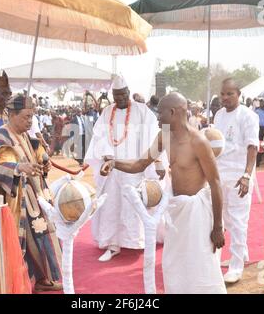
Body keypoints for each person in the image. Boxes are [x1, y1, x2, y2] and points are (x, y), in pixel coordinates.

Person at [100, 92, 226, 294]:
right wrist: (113, 163)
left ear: (174, 112)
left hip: (197, 214)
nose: (157, 117)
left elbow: (216, 183)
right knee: (173, 264)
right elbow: (141, 164)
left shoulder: (198, 142)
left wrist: (218, 226)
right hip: (176, 212)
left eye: (160, 112)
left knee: (201, 266)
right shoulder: (164, 135)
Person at [0, 94, 62, 293]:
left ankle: (42, 278)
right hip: (13, 201)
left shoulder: (24, 134)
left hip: (33, 196)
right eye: (26, 117)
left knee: (42, 237)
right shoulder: (2, 136)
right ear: (11, 115)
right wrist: (19, 168)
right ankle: (15, 280)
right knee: (27, 241)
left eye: (32, 117)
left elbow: (35, 150)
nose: (30, 121)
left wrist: (44, 160)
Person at [84, 74, 163, 262]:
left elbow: (155, 135)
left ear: (128, 92)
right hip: (112, 167)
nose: (119, 99)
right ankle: (113, 245)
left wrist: (157, 161)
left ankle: (136, 240)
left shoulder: (142, 111)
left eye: (122, 94)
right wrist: (107, 155)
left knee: (134, 204)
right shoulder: (106, 112)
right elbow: (99, 136)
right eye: (116, 95)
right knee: (111, 205)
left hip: (136, 168)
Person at [214, 78, 259, 284]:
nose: (225, 97)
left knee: (239, 219)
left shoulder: (248, 116)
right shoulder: (218, 115)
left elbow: (252, 147)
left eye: (229, 94)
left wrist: (247, 175)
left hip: (240, 176)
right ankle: (242, 253)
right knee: (226, 218)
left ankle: (236, 266)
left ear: (239, 94)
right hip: (220, 174)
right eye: (223, 94)